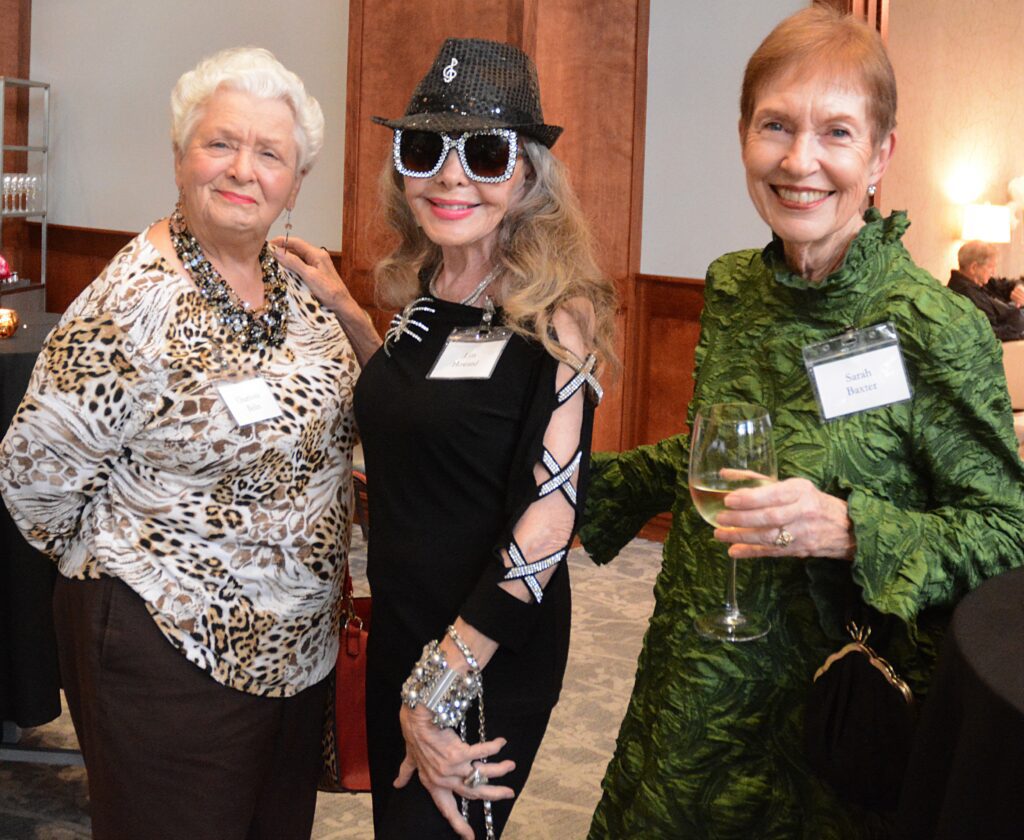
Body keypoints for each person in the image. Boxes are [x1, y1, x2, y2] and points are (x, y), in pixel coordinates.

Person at [578, 7, 1024, 838]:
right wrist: (569, 485)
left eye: (837, 132)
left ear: (881, 154)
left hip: (823, 722)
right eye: (775, 125)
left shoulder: (935, 327)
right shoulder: (735, 287)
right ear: (743, 134)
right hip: (694, 687)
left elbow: (1005, 533)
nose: (799, 160)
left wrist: (855, 528)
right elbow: (723, 453)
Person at [0, 47, 358, 839]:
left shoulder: (300, 287)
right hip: (166, 655)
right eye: (220, 143)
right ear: (179, 155)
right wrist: (149, 567)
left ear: (296, 183)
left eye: (270, 154)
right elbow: (34, 479)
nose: (243, 170)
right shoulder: (131, 299)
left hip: (297, 655)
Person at [275, 37, 616, 839]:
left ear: (528, 174)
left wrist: (440, 683)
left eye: (487, 153)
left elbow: (551, 516)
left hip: (488, 643)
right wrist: (353, 318)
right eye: (426, 148)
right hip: (403, 619)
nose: (451, 176)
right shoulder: (431, 283)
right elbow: (418, 401)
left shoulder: (556, 311)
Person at [948, 240, 1024, 340]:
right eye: (990, 267)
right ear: (973, 268)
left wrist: (1019, 288)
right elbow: (990, 333)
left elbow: (1010, 283)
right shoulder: (966, 294)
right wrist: (1018, 323)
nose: (993, 271)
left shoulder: (981, 281)